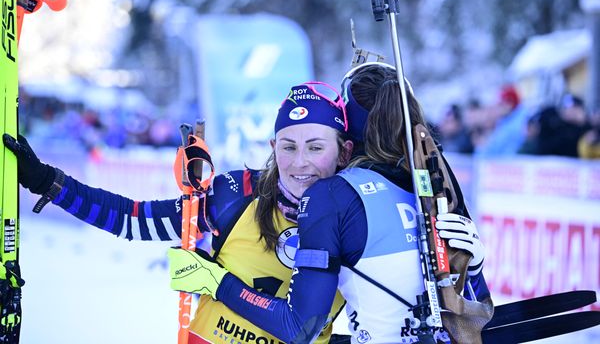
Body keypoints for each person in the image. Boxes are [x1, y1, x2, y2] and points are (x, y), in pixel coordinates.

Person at [3, 81, 353, 344]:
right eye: (288, 147)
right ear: (273, 147)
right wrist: (48, 182)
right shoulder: (236, 195)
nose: (299, 163)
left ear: (343, 152)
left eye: (316, 147)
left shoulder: (358, 219)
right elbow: (134, 219)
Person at [168, 63, 493, 344]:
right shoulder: (432, 185)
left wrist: (216, 282)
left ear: (348, 138)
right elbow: (474, 312)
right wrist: (474, 268)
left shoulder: (333, 196)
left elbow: (299, 328)